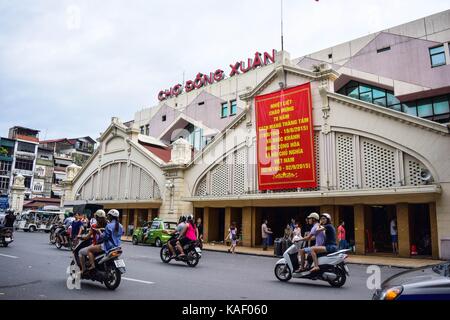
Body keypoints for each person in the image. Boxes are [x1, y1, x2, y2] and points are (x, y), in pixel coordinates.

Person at [78, 210, 107, 274]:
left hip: (97, 245)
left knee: (81, 252)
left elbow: (87, 237)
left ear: (96, 217)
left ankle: (84, 269)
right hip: (107, 245)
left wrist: (80, 237)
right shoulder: (108, 225)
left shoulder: (94, 226)